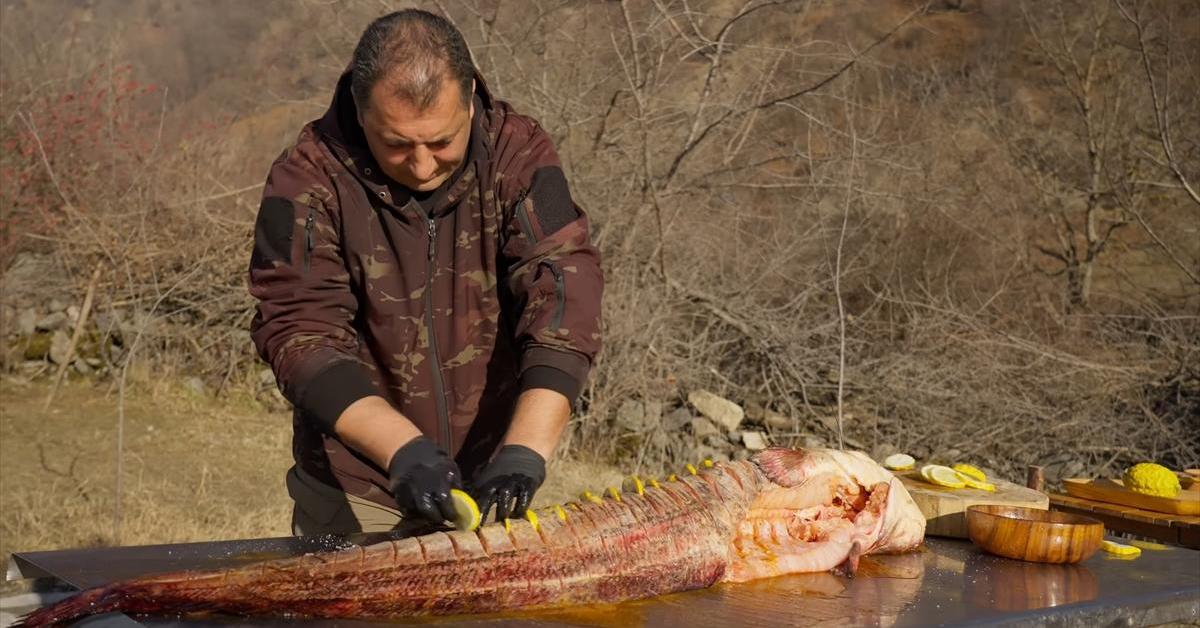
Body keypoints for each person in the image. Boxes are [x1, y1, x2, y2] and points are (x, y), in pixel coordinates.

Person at [247, 9, 602, 536]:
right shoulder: (305, 178)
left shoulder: (518, 153)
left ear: (470, 100)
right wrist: (402, 451)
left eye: (441, 143)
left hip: (492, 476)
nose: (421, 166)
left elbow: (564, 289)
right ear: (360, 112)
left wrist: (525, 452)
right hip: (360, 485)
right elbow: (300, 333)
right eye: (395, 144)